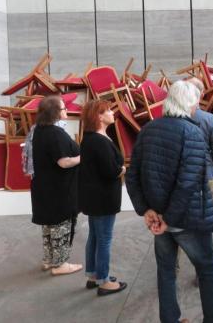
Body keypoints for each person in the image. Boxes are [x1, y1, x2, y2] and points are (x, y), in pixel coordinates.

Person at [126, 80, 213, 323]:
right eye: (196, 102)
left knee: (166, 271)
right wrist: (167, 220)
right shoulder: (192, 132)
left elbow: (131, 175)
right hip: (184, 219)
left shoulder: (148, 129)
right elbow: (187, 184)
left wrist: (146, 210)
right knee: (208, 269)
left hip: (159, 218)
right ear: (190, 104)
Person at [78, 100, 128, 296]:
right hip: (103, 198)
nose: (112, 112)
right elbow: (110, 171)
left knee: (95, 237)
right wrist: (122, 169)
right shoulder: (99, 141)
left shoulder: (90, 138)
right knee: (104, 239)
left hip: (94, 197)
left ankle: (93, 275)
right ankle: (104, 281)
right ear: (99, 117)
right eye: (108, 110)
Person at [30, 95, 82, 276]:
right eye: (63, 108)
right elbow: (64, 162)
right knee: (61, 225)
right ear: (54, 112)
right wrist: (82, 158)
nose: (66, 110)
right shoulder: (55, 133)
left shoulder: (39, 130)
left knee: (48, 226)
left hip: (44, 188)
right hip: (58, 190)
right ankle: (60, 264)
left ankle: (49, 260)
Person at [185, 77, 213, 197]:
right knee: (205, 212)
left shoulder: (172, 118)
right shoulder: (209, 119)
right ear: (202, 95)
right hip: (206, 173)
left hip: (179, 176)